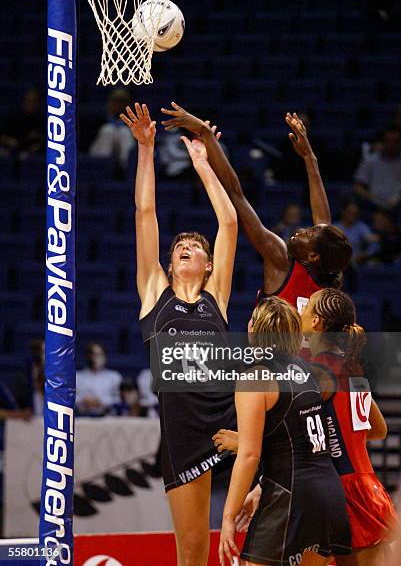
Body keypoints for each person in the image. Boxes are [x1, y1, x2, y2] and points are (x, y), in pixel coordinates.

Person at [120, 102, 237, 566]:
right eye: (180, 247)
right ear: (169, 264)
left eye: (196, 247)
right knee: (193, 553)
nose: (188, 247)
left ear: (209, 265)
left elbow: (227, 223)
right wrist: (146, 150)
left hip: (235, 423)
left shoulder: (218, 296)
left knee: (283, 527)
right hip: (186, 435)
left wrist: (204, 164)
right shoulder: (155, 295)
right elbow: (144, 212)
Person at [160, 104, 352, 317]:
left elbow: (236, 194)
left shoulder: (281, 260)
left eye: (307, 233)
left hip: (272, 352)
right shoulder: (331, 284)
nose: (300, 230)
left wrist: (206, 133)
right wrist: (309, 158)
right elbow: (323, 222)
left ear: (314, 255)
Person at [218, 297, 351, 566]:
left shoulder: (255, 378)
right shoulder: (310, 371)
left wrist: (228, 516)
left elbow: (249, 455)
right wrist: (259, 489)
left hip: (291, 497)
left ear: (253, 329)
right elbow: (294, 442)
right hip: (328, 494)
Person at [300, 288, 399, 565]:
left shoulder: (316, 372)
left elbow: (290, 428)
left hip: (340, 490)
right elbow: (379, 430)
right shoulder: (352, 369)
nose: (302, 310)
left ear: (317, 322)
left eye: (307, 307)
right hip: (367, 486)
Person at [353, 127, 401, 210]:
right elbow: (357, 186)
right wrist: (371, 197)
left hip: (398, 207)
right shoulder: (370, 160)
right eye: (388, 141)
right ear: (382, 142)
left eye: (395, 142)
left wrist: (398, 199)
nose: (391, 144)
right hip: (372, 206)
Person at [88, 88, 136, 171]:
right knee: (108, 130)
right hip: (99, 154)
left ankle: (125, 171)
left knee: (124, 132)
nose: (118, 105)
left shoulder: (132, 122)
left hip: (124, 156)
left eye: (121, 102)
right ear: (109, 103)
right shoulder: (97, 120)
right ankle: (103, 170)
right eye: (115, 101)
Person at [76, 342, 122, 416]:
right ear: (87, 356)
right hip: (82, 416)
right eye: (92, 354)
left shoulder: (114, 376)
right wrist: (83, 400)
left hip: (107, 417)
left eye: (99, 355)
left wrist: (100, 402)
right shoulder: (77, 376)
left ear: (105, 356)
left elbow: (118, 400)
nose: (95, 358)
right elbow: (70, 398)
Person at [0, 87, 44, 159]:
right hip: (12, 149)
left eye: (34, 101)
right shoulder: (14, 115)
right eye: (29, 100)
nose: (31, 103)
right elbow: (3, 136)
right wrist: (10, 141)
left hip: (32, 152)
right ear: (24, 101)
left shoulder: (41, 118)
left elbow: (43, 139)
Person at [333, 201, 377, 265]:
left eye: (355, 214)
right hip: (337, 263)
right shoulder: (334, 227)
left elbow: (374, 242)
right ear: (343, 212)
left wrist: (365, 254)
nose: (352, 216)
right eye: (350, 213)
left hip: (356, 263)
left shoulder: (361, 226)